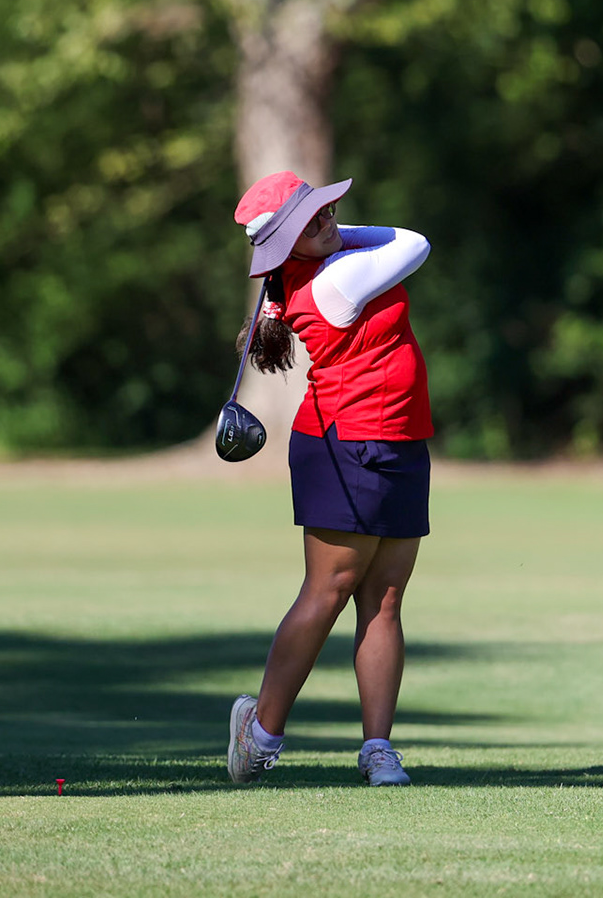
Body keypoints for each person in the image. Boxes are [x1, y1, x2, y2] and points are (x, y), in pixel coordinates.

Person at [224, 170, 434, 788]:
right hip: (346, 443)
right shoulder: (337, 278)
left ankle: (377, 748)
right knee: (330, 590)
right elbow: (414, 242)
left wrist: (318, 232)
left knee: (386, 597)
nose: (327, 219)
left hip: (399, 439)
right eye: (308, 218)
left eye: (323, 209)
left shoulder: (319, 264)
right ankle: (259, 733)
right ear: (284, 246)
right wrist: (333, 237)